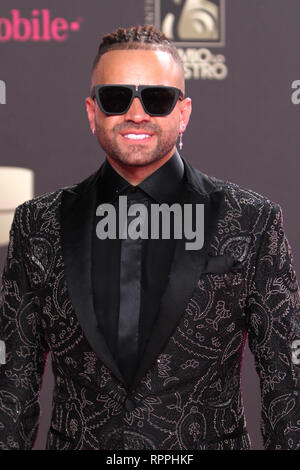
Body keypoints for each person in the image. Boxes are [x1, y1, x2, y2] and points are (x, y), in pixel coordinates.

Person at [0, 24, 299, 451]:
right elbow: (12, 389)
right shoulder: (37, 223)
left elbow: (286, 388)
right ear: (92, 112)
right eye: (116, 98)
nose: (137, 114)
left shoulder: (251, 220)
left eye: (156, 99)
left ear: (184, 113)